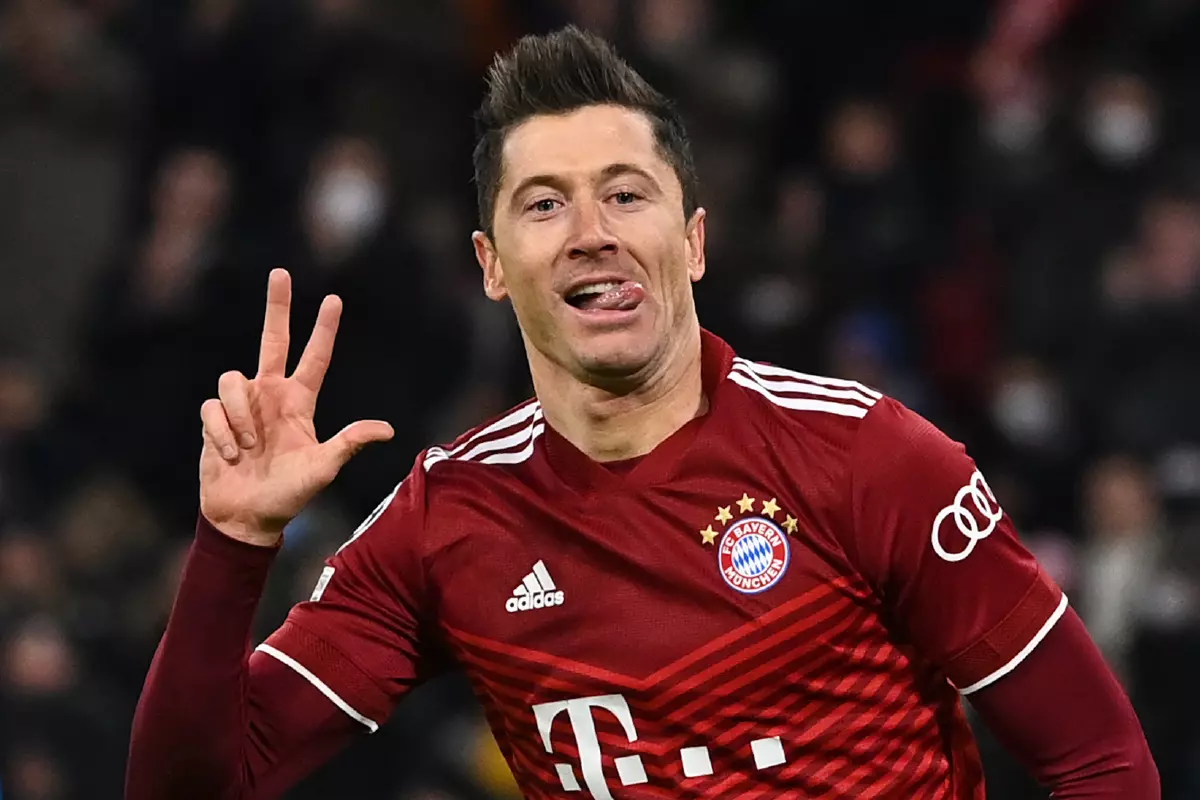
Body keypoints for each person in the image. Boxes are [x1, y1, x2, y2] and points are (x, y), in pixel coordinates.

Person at [125, 26, 1159, 799]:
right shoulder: (443, 522)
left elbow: (1102, 758)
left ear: (695, 241)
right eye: (544, 204)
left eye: (626, 194)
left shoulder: (868, 457)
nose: (590, 233)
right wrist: (234, 545)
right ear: (491, 266)